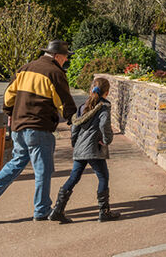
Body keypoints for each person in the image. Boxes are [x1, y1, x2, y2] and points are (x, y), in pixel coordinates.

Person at [0, 40, 78, 223]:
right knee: (43, 170)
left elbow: (8, 97)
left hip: (18, 127)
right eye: (65, 57)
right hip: (38, 127)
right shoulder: (54, 73)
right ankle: (42, 210)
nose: (65, 61)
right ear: (57, 56)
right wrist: (73, 119)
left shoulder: (24, 68)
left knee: (15, 164)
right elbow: (64, 102)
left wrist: (9, 113)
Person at [48, 77, 120, 223]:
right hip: (94, 148)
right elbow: (104, 124)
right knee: (103, 177)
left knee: (74, 177)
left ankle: (57, 210)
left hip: (81, 148)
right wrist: (107, 140)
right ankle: (104, 211)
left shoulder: (83, 106)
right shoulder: (104, 106)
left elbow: (75, 126)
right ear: (106, 93)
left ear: (90, 89)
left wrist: (75, 142)